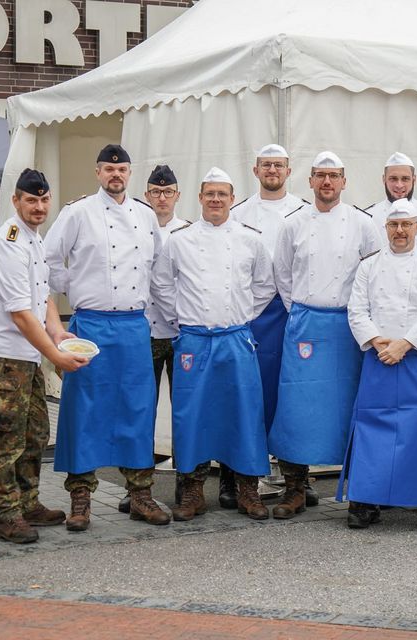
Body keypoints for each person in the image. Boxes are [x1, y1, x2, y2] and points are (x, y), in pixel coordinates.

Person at [45, 144, 170, 531]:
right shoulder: (77, 213)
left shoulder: (146, 216)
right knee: (84, 411)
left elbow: (159, 272)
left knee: (137, 408)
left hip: (135, 325)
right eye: (108, 169)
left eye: (122, 169)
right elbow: (48, 261)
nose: (116, 175)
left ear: (130, 173)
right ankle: (80, 499)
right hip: (91, 325)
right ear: (98, 172)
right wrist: (74, 286)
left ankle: (140, 495)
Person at [150, 167, 275, 521]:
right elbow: (160, 284)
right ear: (200, 198)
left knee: (245, 413)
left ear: (233, 199)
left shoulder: (251, 240)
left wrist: (243, 314)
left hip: (236, 338)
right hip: (194, 341)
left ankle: (248, 491)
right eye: (210, 194)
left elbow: (266, 284)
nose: (216, 199)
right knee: (192, 416)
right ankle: (193, 493)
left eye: (223, 194)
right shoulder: (181, 240)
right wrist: (182, 317)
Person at [0, 169, 90, 544]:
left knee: (36, 431)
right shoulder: (8, 244)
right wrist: (55, 353)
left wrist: (57, 332)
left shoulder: (33, 240)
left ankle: (27, 502)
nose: (39, 207)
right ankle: (5, 514)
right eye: (31, 200)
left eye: (43, 200)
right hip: (4, 355)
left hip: (26, 355)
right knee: (7, 437)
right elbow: (21, 314)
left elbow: (42, 299)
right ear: (16, 200)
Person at [268, 150, 380, 519]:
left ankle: (361, 490)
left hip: (349, 326)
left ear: (344, 181)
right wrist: (300, 309)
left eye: (334, 176)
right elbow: (282, 274)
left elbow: (373, 274)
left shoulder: (363, 224)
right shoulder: (293, 224)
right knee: (296, 408)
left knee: (353, 405)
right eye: (320, 175)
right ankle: (296, 487)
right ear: (310, 181)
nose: (327, 182)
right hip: (304, 324)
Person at [340, 199, 417, 532]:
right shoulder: (369, 265)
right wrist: (377, 341)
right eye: (394, 225)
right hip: (378, 357)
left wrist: (404, 344)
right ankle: (365, 499)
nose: (400, 232)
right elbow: (356, 309)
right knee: (372, 425)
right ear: (385, 228)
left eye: (407, 225)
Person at [228, 143, 315, 509]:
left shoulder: (306, 212)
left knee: (293, 395)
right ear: (255, 170)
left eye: (279, 166)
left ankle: (297, 476)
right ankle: (242, 476)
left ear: (289, 171)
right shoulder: (238, 212)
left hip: (294, 310)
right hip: (254, 313)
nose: (272, 171)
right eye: (266, 166)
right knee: (252, 394)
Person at [115, 164, 190, 516]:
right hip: (142, 332)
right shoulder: (133, 228)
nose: (162, 198)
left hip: (180, 334)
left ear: (177, 195)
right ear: (146, 195)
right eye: (155, 192)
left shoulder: (189, 233)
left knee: (185, 412)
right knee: (139, 411)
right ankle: (137, 487)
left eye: (168, 192)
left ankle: (187, 486)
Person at [364, 152, 417, 247]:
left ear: (414, 180)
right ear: (384, 179)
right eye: (393, 179)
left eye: (405, 179)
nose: (399, 185)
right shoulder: (368, 217)